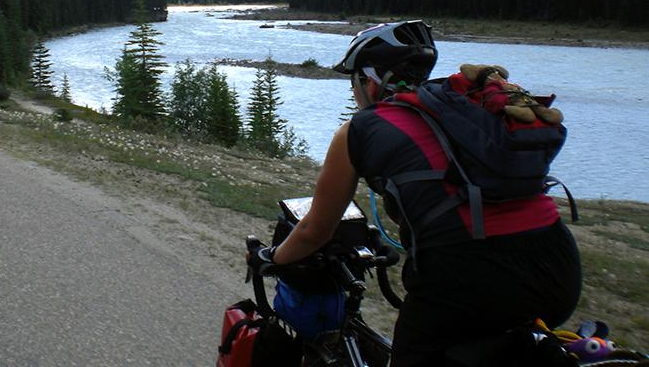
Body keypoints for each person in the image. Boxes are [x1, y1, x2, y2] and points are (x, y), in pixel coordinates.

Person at [248, 20, 581, 366]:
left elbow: (315, 230)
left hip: (467, 279)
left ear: (370, 80)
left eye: (355, 82)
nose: (354, 92)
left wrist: (269, 258)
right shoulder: (463, 112)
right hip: (558, 269)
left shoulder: (357, 131)